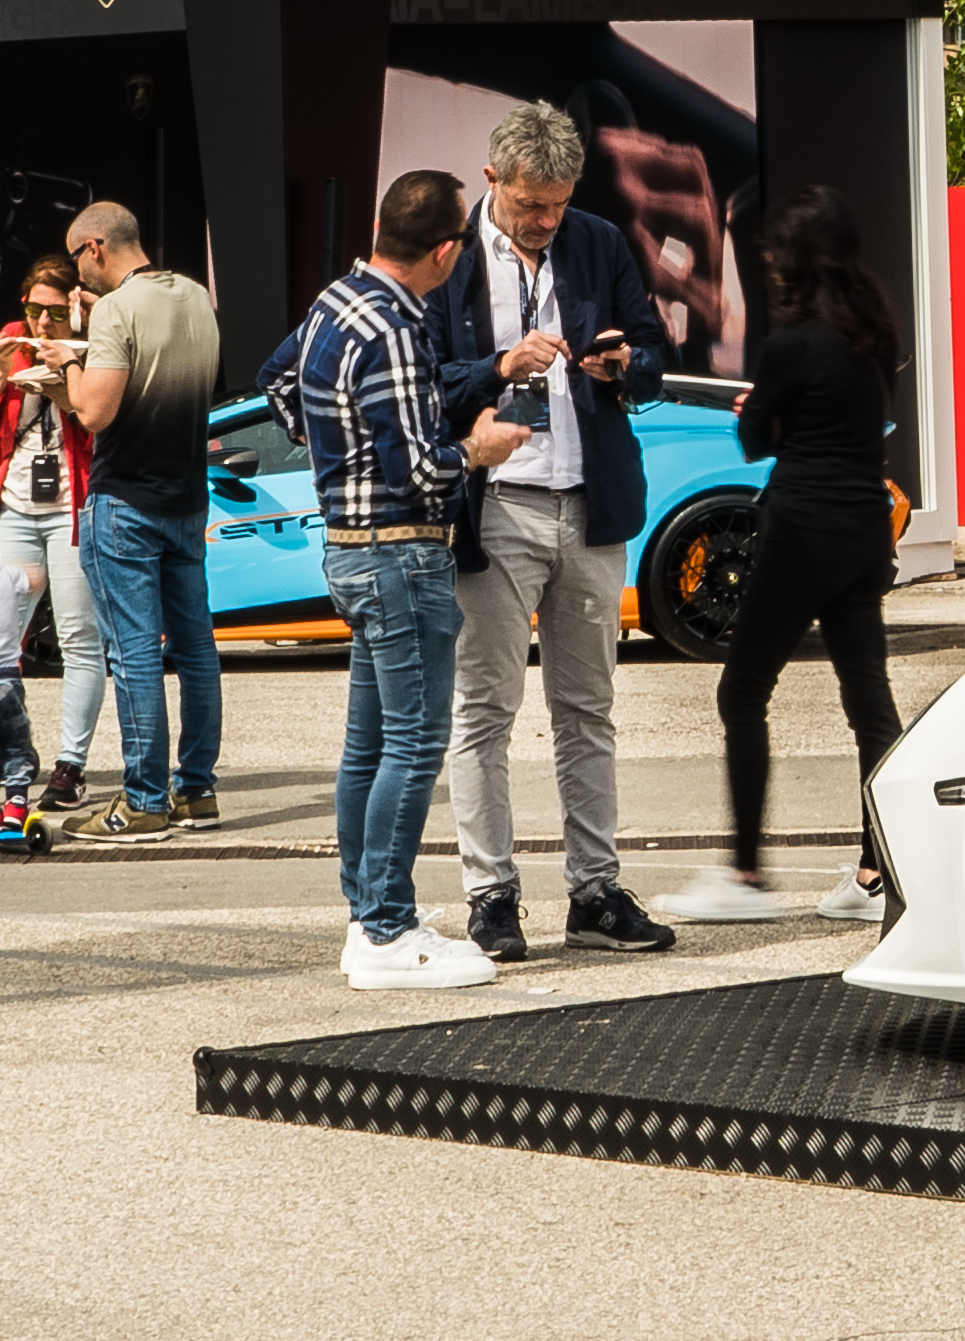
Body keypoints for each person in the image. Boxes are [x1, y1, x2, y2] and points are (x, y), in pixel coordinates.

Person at [440, 98, 671, 960]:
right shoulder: (453, 257)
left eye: (559, 205)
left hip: (589, 500)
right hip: (496, 507)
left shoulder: (598, 242)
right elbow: (430, 378)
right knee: (485, 712)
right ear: (493, 179)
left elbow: (650, 351)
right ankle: (491, 895)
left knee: (588, 709)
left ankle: (596, 892)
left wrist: (623, 363)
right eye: (532, 204)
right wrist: (499, 368)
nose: (545, 221)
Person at [279, 167, 519, 990]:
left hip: (350, 546)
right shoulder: (395, 325)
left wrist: (335, 448)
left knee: (369, 747)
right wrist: (479, 451)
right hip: (401, 551)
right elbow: (420, 469)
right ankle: (384, 931)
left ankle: (370, 915)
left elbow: (280, 386)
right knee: (414, 746)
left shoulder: (335, 302)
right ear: (447, 251)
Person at [667, 189, 912, 932]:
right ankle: (880, 872)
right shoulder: (874, 338)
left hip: (801, 529)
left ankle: (745, 872)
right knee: (870, 705)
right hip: (864, 534)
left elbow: (757, 442)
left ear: (795, 261)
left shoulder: (791, 343)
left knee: (742, 693)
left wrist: (754, 413)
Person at [55, 201, 226, 835]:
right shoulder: (196, 297)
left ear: (95, 246)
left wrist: (67, 367)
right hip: (186, 497)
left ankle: (146, 800)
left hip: (125, 499)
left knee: (134, 656)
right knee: (197, 650)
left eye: (77, 260)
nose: (78, 277)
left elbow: (95, 413)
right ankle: (197, 792)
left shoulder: (116, 310)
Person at [0, 251, 90, 822]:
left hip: (70, 511)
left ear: (76, 307)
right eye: (36, 311)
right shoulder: (11, 340)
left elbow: (100, 422)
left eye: (56, 313)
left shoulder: (93, 344)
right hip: (13, 507)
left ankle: (71, 766)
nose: (43, 324)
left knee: (80, 637)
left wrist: (67, 377)